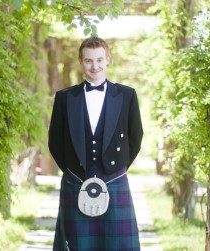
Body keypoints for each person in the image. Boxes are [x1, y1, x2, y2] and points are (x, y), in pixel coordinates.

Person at [48, 37, 143, 251]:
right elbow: (55, 140)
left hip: (114, 179)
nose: (95, 66)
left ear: (108, 59)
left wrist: (117, 169)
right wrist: (73, 171)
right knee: (77, 244)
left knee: (118, 244)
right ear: (81, 62)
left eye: (100, 60)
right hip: (76, 179)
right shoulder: (65, 98)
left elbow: (135, 136)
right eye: (89, 61)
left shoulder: (127, 95)